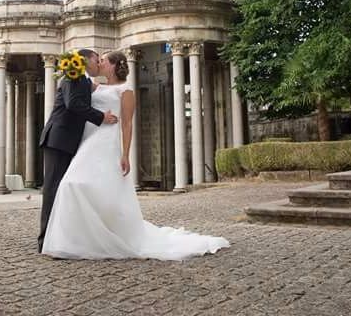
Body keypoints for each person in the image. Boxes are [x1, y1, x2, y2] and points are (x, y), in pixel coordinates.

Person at [42, 51, 230, 260]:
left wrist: (125, 153)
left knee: (74, 184)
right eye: (98, 59)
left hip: (106, 141)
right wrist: (71, 71)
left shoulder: (126, 89)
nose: (100, 63)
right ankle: (75, 237)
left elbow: (127, 123)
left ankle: (93, 238)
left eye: (103, 60)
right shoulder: (94, 85)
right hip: (87, 139)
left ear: (113, 65)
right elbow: (76, 95)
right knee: (73, 185)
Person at [37, 49, 119, 253]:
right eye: (96, 59)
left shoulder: (82, 80)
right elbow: (73, 104)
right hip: (58, 139)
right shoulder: (73, 77)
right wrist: (102, 117)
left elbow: (90, 92)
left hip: (67, 140)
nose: (98, 63)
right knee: (53, 189)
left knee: (63, 188)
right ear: (86, 60)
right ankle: (45, 239)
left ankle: (59, 236)